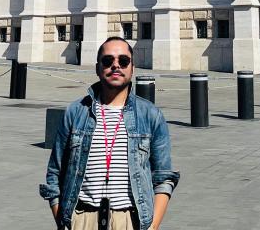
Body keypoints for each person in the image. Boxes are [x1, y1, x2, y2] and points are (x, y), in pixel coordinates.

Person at [40, 37, 179, 230]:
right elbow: (54, 174)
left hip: (130, 220)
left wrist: (152, 227)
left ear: (132, 68)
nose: (116, 65)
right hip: (81, 219)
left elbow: (163, 178)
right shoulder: (75, 112)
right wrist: (63, 223)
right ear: (98, 68)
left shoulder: (150, 115)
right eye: (108, 61)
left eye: (123, 61)